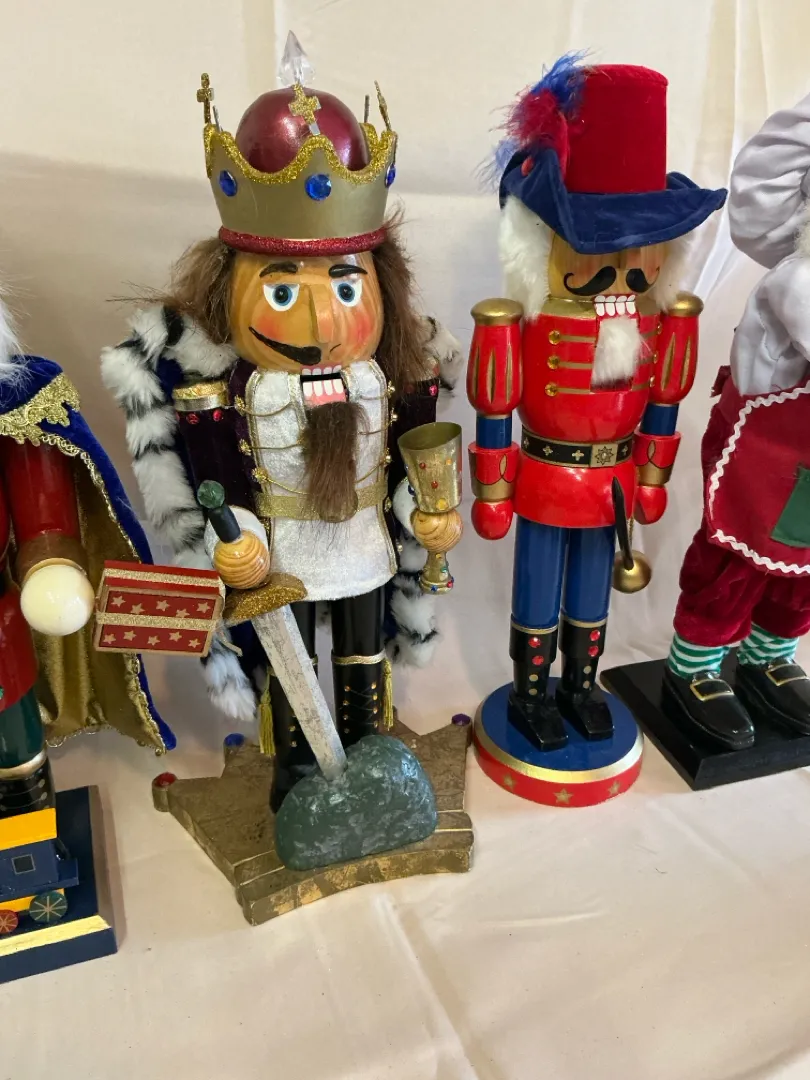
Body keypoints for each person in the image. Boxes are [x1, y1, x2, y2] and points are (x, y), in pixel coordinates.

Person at [664, 90, 810, 750]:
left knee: (802, 564)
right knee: (737, 557)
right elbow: (767, 175)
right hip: (765, 448)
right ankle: (694, 666)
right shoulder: (797, 277)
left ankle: (769, 658)